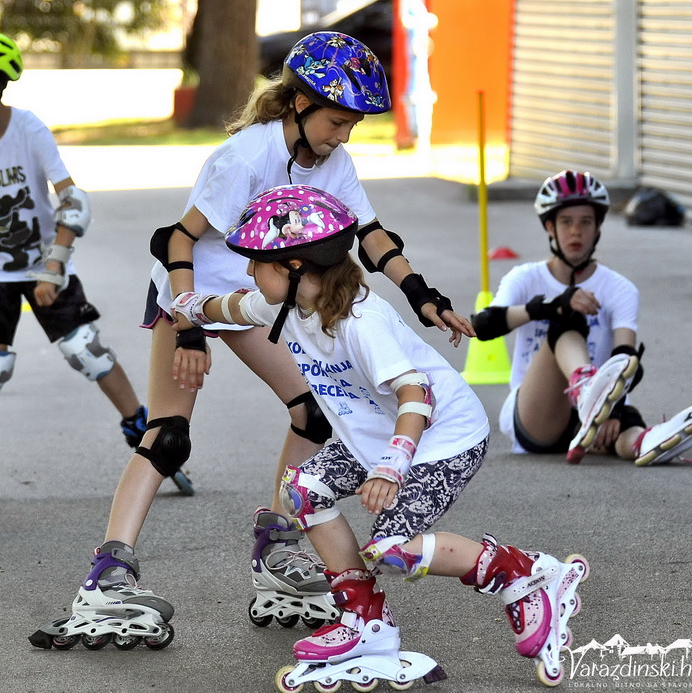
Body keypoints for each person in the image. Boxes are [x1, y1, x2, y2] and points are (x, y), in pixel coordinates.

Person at [29, 31, 476, 652]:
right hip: (194, 292)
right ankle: (107, 576)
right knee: (169, 434)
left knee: (313, 414)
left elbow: (370, 234)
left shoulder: (330, 159)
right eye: (338, 121)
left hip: (260, 297)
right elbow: (174, 241)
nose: (344, 136)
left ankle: (276, 550)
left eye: (352, 125)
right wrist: (187, 326)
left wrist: (425, 296)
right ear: (298, 104)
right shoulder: (245, 157)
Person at [171, 184, 588, 688]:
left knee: (393, 550)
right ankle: (364, 619)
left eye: (256, 261)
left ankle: (522, 572)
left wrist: (391, 467)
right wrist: (189, 307)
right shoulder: (287, 306)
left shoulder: (360, 322)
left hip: (440, 438)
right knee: (302, 490)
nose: (248, 271)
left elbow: (416, 396)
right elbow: (233, 307)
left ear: (294, 266)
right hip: (373, 436)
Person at [0, 32, 158, 501]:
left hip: (44, 259)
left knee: (85, 349)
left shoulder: (28, 131)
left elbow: (72, 201)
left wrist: (54, 264)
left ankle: (145, 430)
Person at [472, 170, 692, 465]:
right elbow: (482, 325)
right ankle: (587, 388)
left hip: (596, 420)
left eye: (585, 222)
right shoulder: (525, 277)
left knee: (625, 423)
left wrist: (612, 410)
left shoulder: (620, 288)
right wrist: (550, 306)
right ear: (550, 226)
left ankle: (645, 441)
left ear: (598, 227)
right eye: (566, 222)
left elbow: (626, 357)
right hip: (539, 415)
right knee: (567, 318)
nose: (576, 231)